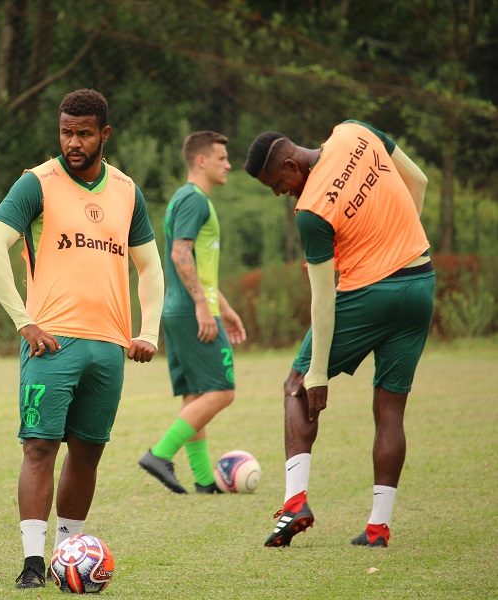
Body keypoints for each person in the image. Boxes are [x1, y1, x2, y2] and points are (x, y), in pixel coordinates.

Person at [0, 89, 164, 589]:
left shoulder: (127, 190)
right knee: (39, 447)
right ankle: (32, 563)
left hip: (109, 346)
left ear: (105, 134)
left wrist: (148, 331)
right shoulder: (36, 183)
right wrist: (24, 321)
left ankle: (68, 554)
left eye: (84, 133)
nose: (73, 142)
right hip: (51, 342)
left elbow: (149, 265)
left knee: (87, 452)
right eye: (66, 132)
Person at [243, 120, 435, 548]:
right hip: (420, 282)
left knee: (295, 386)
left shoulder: (311, 211)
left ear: (290, 166)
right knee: (390, 408)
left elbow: (323, 299)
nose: (279, 193)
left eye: (277, 185)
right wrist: (395, 242)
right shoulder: (354, 131)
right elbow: (418, 181)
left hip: (370, 294)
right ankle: (378, 528)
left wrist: (317, 374)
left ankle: (295, 503)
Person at [138, 131, 246, 495]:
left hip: (183, 308)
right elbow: (180, 254)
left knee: (197, 394)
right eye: (221, 158)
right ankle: (160, 454)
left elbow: (197, 264)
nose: (228, 164)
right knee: (222, 391)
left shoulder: (184, 199)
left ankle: (203, 480)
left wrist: (224, 308)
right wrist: (202, 304)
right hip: (190, 310)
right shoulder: (195, 200)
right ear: (201, 161)